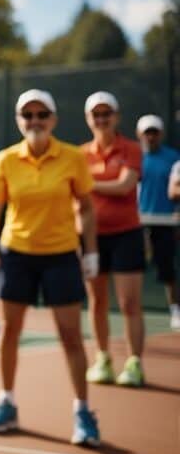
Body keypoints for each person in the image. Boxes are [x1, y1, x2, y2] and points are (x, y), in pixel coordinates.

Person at [0, 89, 101, 448]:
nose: (34, 121)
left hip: (61, 255)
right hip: (16, 253)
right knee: (9, 331)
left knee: (70, 336)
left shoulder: (73, 157)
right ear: (19, 121)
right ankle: (7, 402)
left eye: (41, 114)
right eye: (27, 115)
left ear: (54, 120)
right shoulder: (5, 160)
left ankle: (83, 411)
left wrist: (89, 251)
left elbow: (87, 206)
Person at [80, 92, 147, 387]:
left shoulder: (131, 149)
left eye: (107, 113)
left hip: (126, 235)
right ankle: (103, 358)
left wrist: (89, 183)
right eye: (96, 114)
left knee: (129, 302)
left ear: (116, 117)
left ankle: (134, 363)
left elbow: (125, 185)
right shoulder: (79, 154)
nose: (102, 119)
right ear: (88, 119)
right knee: (97, 302)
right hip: (92, 238)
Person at [137, 114, 180, 331]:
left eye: (154, 132)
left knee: (167, 269)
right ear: (140, 135)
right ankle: (134, 311)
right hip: (136, 223)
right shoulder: (133, 156)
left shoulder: (173, 157)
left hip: (165, 221)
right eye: (147, 132)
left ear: (160, 134)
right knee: (132, 269)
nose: (151, 136)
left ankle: (175, 309)